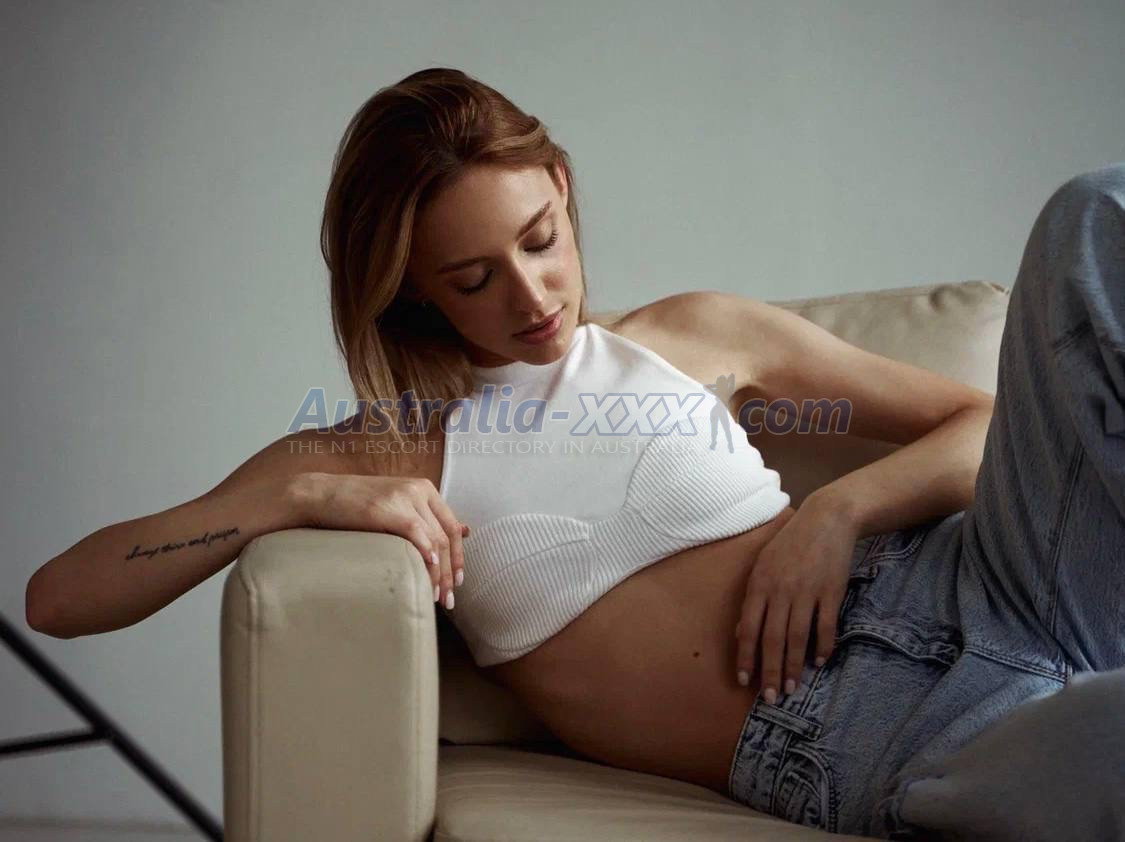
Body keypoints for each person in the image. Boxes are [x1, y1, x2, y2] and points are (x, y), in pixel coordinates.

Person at [24, 67, 1124, 839]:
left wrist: (839, 512)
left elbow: (980, 426)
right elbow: (62, 596)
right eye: (474, 279)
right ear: (414, 290)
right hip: (874, 737)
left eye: (540, 239)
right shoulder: (389, 454)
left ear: (558, 184)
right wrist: (300, 493)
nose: (531, 294)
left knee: (1092, 213)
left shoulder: (700, 334)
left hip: (995, 576)